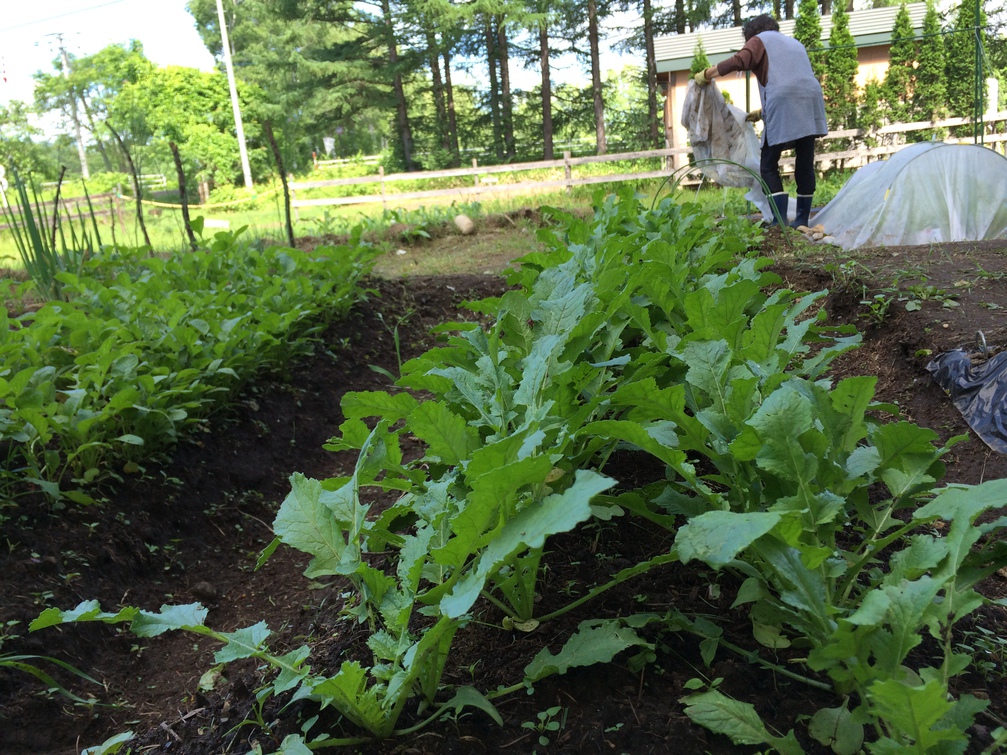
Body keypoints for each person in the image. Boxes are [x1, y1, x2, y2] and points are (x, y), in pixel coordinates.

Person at [694, 14, 827, 229]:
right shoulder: (794, 44)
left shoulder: (760, 39)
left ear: (751, 34)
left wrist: (707, 74)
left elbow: (739, 61)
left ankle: (780, 221)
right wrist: (762, 112)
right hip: (811, 100)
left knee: (768, 164)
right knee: (804, 159)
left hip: (783, 101)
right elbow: (792, 81)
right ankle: (802, 219)